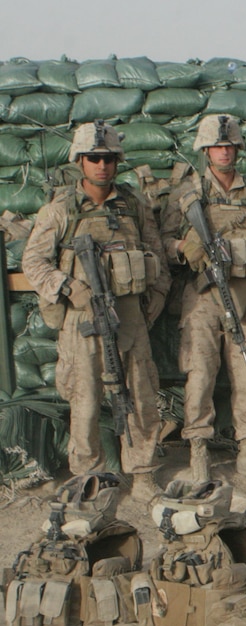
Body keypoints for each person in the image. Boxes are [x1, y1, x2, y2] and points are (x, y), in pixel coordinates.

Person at [22, 120, 170, 501]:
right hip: (81, 318)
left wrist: (157, 295)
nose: (101, 165)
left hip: (130, 315)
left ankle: (143, 473)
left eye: (108, 158)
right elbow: (34, 262)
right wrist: (69, 287)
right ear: (80, 161)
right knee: (85, 400)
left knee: (140, 394)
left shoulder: (132, 205)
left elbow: (158, 255)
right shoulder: (60, 210)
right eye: (93, 158)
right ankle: (88, 477)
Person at [160, 114, 246, 485]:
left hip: (245, 295)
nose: (224, 152)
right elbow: (158, 241)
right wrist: (184, 246)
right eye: (217, 146)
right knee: (200, 374)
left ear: (238, 149)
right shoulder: (187, 194)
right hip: (202, 298)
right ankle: (199, 450)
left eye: (229, 145)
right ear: (205, 151)